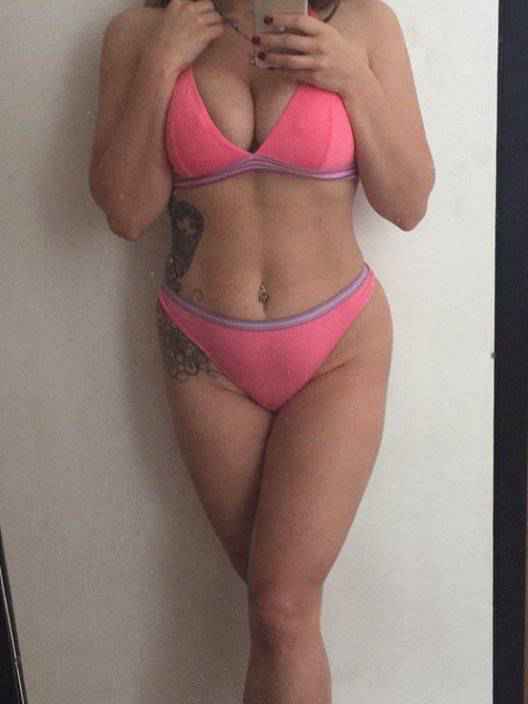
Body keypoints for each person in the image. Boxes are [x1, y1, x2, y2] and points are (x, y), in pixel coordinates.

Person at [89, 0, 434, 700]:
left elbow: (407, 202)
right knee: (277, 615)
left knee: (281, 608)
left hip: (337, 351)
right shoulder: (139, 32)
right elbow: (126, 211)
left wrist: (352, 76)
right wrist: (159, 64)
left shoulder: (363, 23)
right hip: (206, 358)